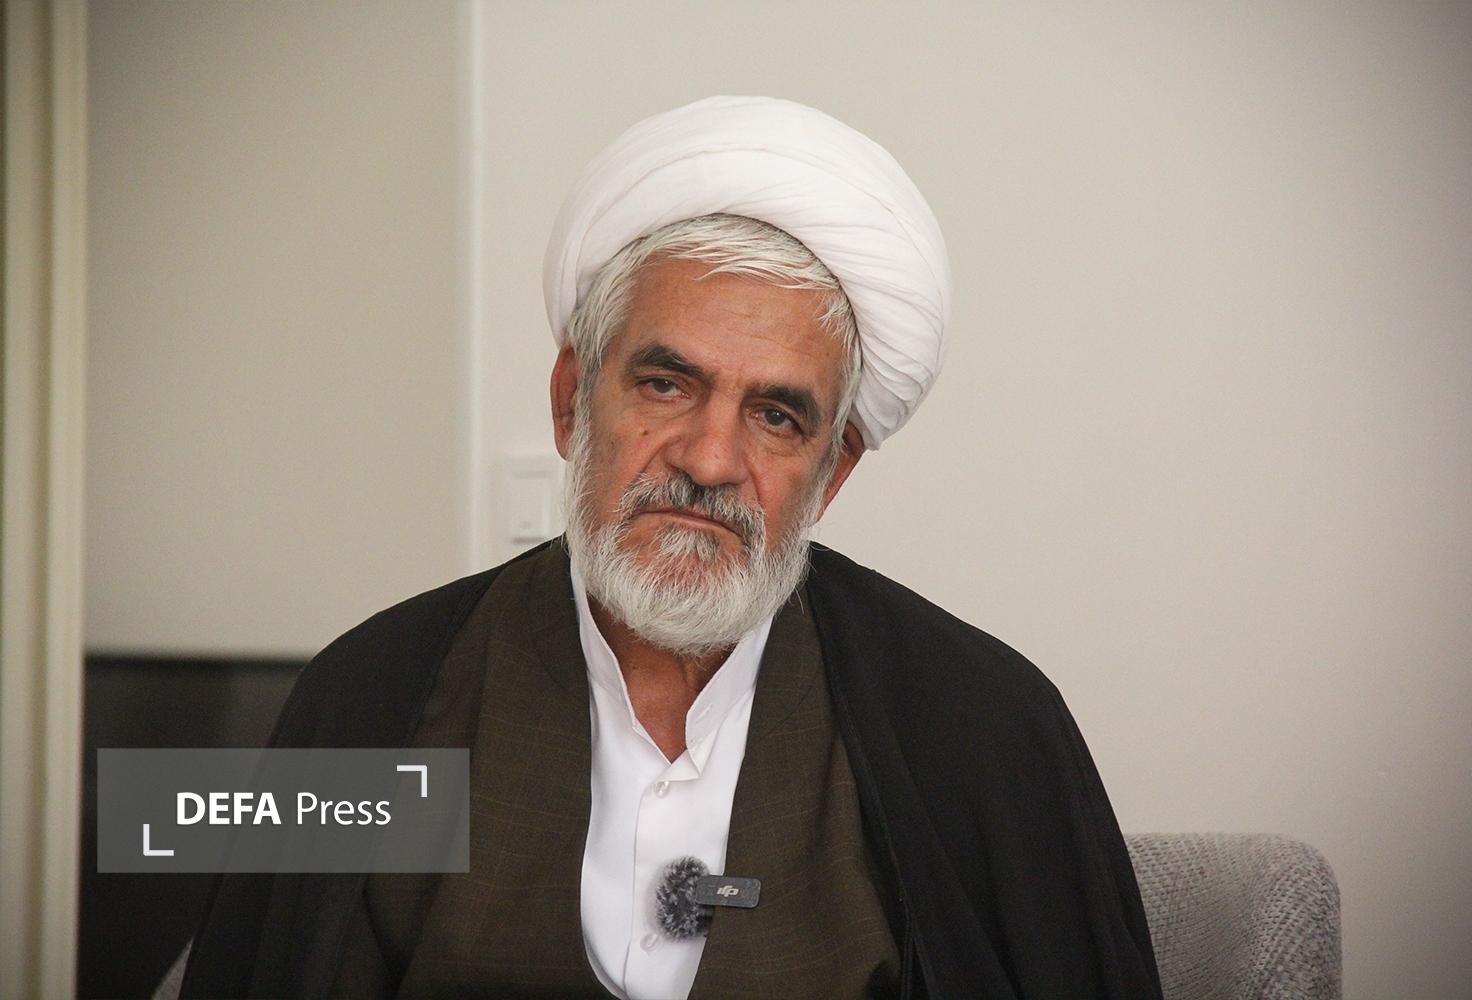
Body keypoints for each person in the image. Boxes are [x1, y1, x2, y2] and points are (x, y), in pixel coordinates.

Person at [181, 96, 1162, 999]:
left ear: (833, 472)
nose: (709, 458)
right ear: (571, 400)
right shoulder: (377, 699)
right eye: (666, 385)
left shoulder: (977, 727)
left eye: (776, 416)